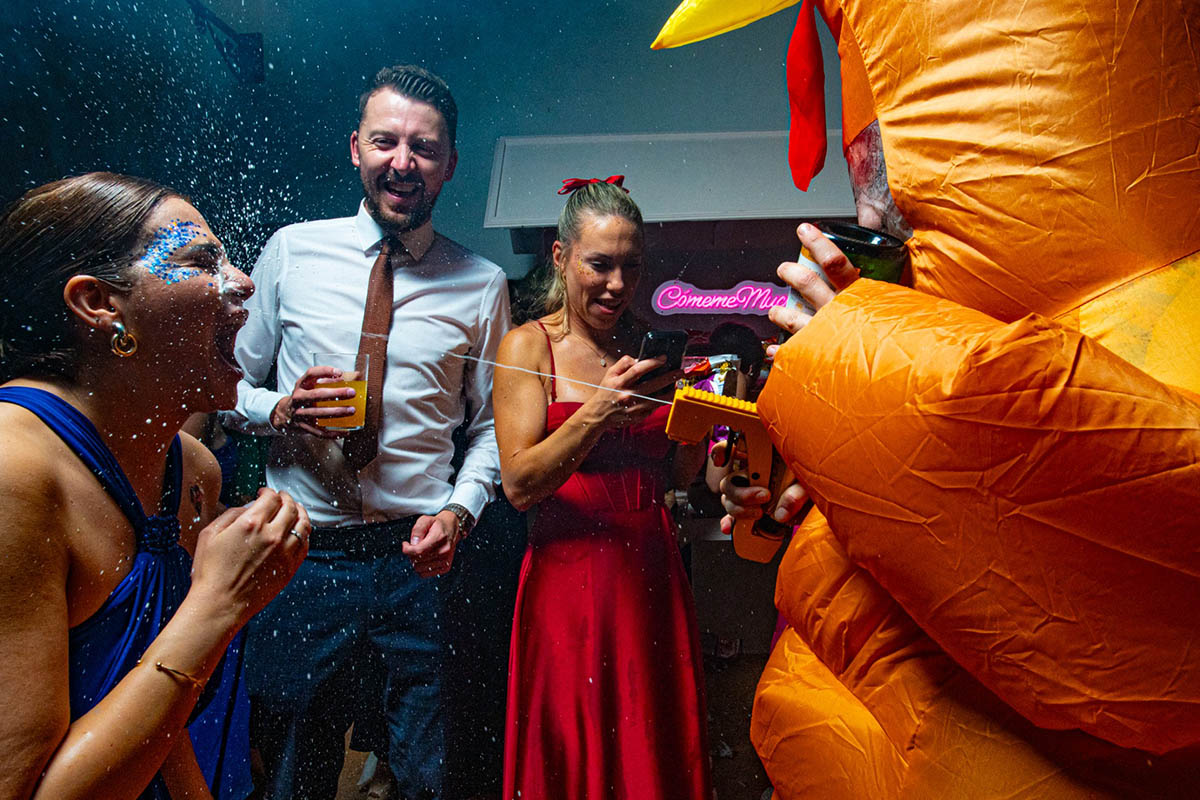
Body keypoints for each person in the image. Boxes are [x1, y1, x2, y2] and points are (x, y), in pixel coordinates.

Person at [224, 64, 510, 800]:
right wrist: (277, 411)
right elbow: (224, 388)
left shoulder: (482, 283)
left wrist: (459, 513)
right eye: (386, 141)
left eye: (424, 148)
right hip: (301, 556)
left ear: (450, 164)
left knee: (427, 777)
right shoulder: (291, 251)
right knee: (292, 774)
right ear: (356, 148)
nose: (402, 162)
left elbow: (490, 429)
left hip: (419, 567)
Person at [0, 172, 308, 800]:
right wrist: (220, 601)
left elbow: (161, 727)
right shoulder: (15, 469)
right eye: (202, 261)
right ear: (99, 303)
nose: (244, 281)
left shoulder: (192, 470)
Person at [494, 179, 713, 800]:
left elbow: (677, 477)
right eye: (600, 264)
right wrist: (597, 412)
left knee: (651, 746)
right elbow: (519, 485)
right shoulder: (527, 346)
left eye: (631, 267)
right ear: (561, 257)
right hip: (568, 578)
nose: (618, 284)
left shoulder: (647, 345)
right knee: (575, 745)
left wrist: (694, 427)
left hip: (652, 570)